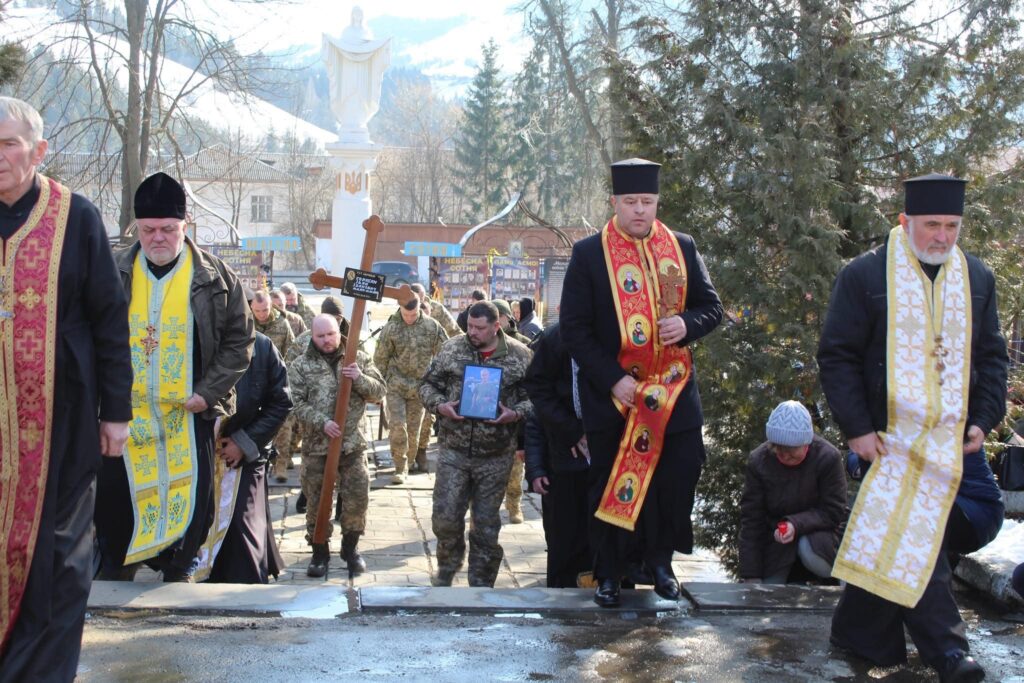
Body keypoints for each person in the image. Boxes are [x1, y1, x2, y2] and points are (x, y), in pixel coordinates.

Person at [817, 173, 1007, 682]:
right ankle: (948, 652)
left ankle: (858, 629)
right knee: (919, 528)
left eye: (951, 225)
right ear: (904, 222)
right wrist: (857, 429)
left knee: (907, 532)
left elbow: (991, 358)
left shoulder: (979, 278)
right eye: (931, 225)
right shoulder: (864, 276)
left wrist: (984, 420)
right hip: (887, 440)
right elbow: (836, 356)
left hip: (954, 447)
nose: (942, 236)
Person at [0, 96, 132, 682]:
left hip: (63, 420)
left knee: (58, 558)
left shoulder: (75, 217)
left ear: (38, 150)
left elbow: (109, 319)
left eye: (8, 143)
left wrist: (117, 412)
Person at [560, 158, 723, 608]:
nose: (639, 210)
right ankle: (609, 573)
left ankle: (660, 563)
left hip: (674, 395)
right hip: (616, 397)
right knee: (613, 482)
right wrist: (613, 380)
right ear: (614, 202)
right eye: (630, 201)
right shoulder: (590, 253)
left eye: (646, 202)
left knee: (677, 478)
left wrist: (688, 325)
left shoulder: (682, 247)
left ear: (656, 202)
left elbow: (713, 307)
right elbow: (573, 328)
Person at [96, 171, 254, 583]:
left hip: (189, 413)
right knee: (117, 505)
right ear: (137, 228)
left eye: (168, 229)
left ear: (185, 227)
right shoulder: (112, 271)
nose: (158, 238)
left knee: (190, 500)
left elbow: (240, 342)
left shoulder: (216, 278)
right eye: (149, 230)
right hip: (123, 417)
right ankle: (116, 572)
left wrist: (208, 392)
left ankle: (178, 571)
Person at [419, 301, 533, 586]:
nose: (472, 332)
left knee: (485, 526)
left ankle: (481, 585)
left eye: (480, 328)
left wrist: (515, 413)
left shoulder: (521, 356)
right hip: (453, 452)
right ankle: (447, 569)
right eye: (470, 326)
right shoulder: (452, 348)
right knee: (445, 518)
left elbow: (538, 398)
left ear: (498, 326)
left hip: (495, 456)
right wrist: (440, 405)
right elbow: (426, 385)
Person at [290, 314, 385, 577]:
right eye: (320, 336)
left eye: (330, 334)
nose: (327, 340)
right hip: (317, 446)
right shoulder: (301, 365)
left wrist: (359, 378)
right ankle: (319, 552)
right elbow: (296, 403)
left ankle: (350, 549)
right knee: (317, 501)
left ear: (338, 332)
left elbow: (380, 391)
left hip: (352, 444)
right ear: (312, 336)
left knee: (357, 498)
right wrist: (322, 422)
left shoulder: (358, 358)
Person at [207, 330, 292, 583]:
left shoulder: (263, 347)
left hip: (246, 453)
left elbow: (281, 402)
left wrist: (243, 443)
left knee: (242, 525)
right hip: (200, 453)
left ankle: (245, 590)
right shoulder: (194, 338)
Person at [739, 401, 847, 584]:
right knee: (766, 594)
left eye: (792, 453)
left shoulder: (828, 458)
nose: (786, 457)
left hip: (820, 539)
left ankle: (837, 585)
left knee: (809, 549)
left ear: (807, 444)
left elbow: (834, 511)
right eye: (780, 452)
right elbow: (752, 520)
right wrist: (751, 576)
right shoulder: (759, 461)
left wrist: (795, 524)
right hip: (776, 544)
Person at [523, 324, 593, 587]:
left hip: (601, 465)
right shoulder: (555, 342)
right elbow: (536, 423)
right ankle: (562, 595)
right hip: (561, 468)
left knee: (599, 538)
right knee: (563, 540)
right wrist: (536, 471)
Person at [374, 293, 446, 483]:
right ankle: (400, 466)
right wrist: (377, 387)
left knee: (414, 431)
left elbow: (445, 354)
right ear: (400, 310)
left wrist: (439, 381)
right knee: (398, 426)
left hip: (420, 387)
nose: (409, 319)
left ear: (419, 309)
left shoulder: (432, 326)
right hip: (396, 385)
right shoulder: (391, 328)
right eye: (406, 315)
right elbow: (380, 359)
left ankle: (410, 460)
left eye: (413, 315)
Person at [493, 298, 531, 523]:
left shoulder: (524, 346)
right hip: (488, 419)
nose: (497, 322)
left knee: (516, 472)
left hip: (515, 420)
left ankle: (514, 505)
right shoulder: (481, 345)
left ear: (509, 318)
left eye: (501, 317)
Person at [251, 288, 294, 359]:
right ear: (251, 307)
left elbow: (291, 350)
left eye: (265, 310)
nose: (261, 314)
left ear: (271, 305)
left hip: (276, 367)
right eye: (257, 311)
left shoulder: (282, 323)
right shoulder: (246, 323)